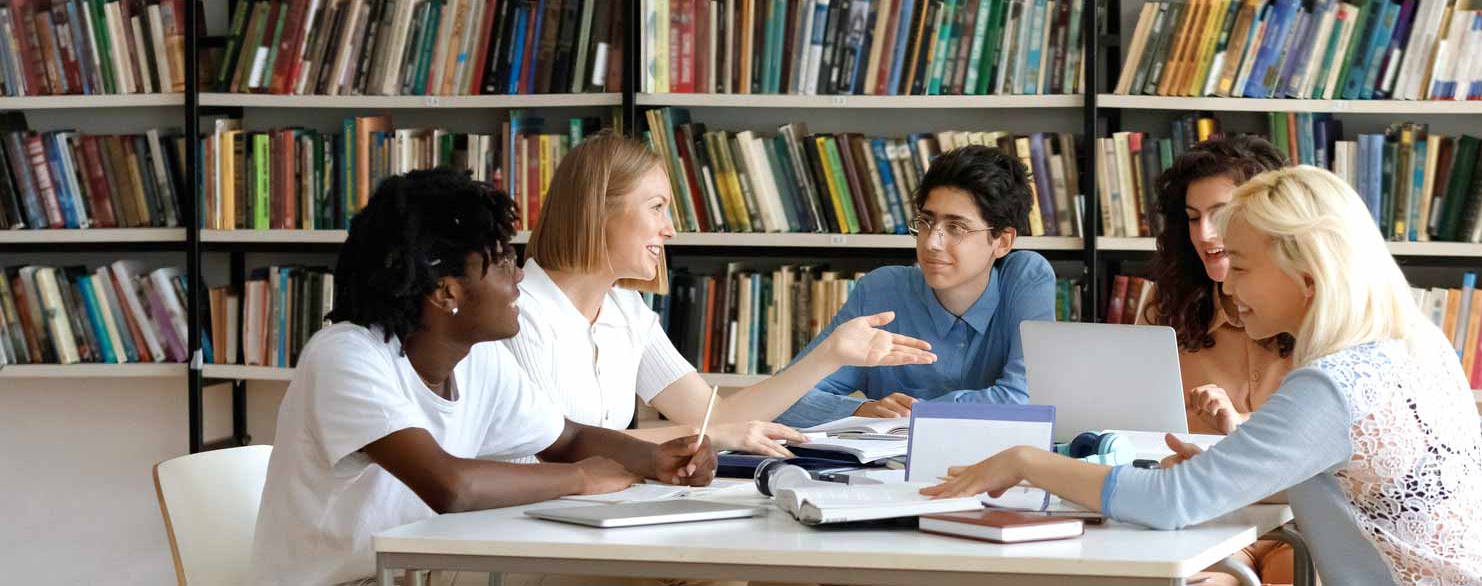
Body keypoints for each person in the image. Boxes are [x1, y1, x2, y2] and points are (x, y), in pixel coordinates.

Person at [925, 165, 1482, 586]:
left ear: (1308, 272)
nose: (1228, 283)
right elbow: (1359, 489)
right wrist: (1225, 470)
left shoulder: (1331, 386)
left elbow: (1173, 503)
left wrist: (1027, 462)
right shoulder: (1418, 344)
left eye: (1241, 265)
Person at [249, 169, 716, 586]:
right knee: (651, 575)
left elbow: (565, 437)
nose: (518, 277)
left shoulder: (476, 360)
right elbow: (451, 486)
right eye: (501, 262)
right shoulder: (345, 357)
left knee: (690, 569)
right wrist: (578, 480)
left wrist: (655, 460)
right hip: (358, 580)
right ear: (447, 290)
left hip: (421, 568)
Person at [502, 133, 938, 457]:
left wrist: (830, 355)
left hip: (594, 516)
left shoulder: (626, 310)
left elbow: (713, 415)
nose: (670, 228)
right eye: (656, 207)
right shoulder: (518, 312)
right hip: (520, 535)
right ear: (598, 210)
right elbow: (554, 448)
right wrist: (705, 438)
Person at [773, 145, 1056, 428]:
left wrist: (917, 413)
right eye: (926, 222)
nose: (931, 242)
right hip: (891, 468)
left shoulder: (1026, 278)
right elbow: (784, 398)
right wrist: (864, 410)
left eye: (956, 227)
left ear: (1003, 241)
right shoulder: (881, 291)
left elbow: (1026, 401)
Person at [1141, 136, 1299, 586]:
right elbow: (1141, 429)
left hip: (1300, 519)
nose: (1206, 235)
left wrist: (1240, 423)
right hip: (1204, 521)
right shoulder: (1166, 306)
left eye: (1222, 214)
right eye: (1193, 219)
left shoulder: (1311, 304)